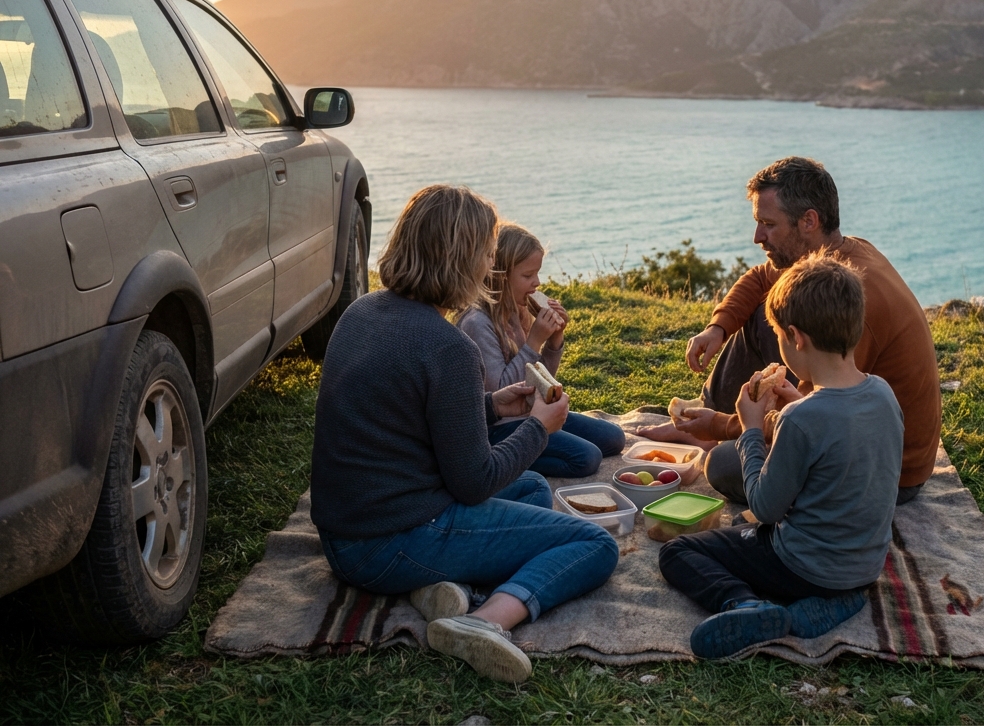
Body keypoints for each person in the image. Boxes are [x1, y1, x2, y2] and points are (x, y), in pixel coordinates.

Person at [309, 185, 619, 683]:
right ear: (462, 260)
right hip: (388, 541)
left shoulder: (362, 312)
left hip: (345, 535)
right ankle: (480, 620)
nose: (487, 267)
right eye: (484, 255)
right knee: (593, 545)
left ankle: (438, 588)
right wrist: (539, 427)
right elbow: (474, 481)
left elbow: (408, 414)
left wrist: (492, 405)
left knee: (534, 488)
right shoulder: (448, 346)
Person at [642, 157, 940, 506]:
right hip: (841, 430)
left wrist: (725, 427)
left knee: (722, 465)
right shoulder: (829, 265)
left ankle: (710, 432)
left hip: (882, 474)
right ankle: (703, 422)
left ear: (809, 221)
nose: (757, 237)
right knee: (760, 309)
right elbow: (760, 278)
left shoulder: (857, 298)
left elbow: (808, 417)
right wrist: (717, 328)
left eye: (768, 224)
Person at [659, 253, 903, 658]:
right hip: (862, 566)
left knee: (679, 552)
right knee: (742, 528)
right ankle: (837, 600)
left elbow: (766, 505)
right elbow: (837, 442)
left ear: (795, 337)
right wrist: (790, 407)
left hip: (805, 566)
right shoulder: (881, 393)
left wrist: (752, 428)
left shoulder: (801, 417)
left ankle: (746, 604)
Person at [457, 222, 626, 477]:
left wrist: (554, 340)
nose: (536, 282)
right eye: (527, 276)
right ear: (499, 276)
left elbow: (539, 382)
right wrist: (533, 341)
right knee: (587, 458)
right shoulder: (478, 323)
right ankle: (505, 462)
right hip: (498, 428)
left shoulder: (518, 310)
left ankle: (535, 446)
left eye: (537, 273)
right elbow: (499, 391)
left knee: (614, 438)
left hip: (530, 415)